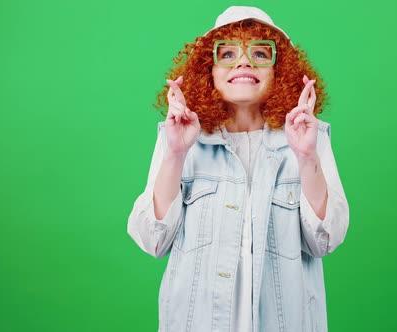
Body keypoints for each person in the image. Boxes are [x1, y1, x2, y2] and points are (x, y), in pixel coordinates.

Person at [127, 6, 349, 332]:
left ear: (279, 70)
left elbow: (325, 241)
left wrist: (306, 156)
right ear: (209, 71)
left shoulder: (309, 137)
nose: (243, 62)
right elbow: (152, 241)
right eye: (227, 53)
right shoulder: (179, 137)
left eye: (260, 53)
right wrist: (175, 153)